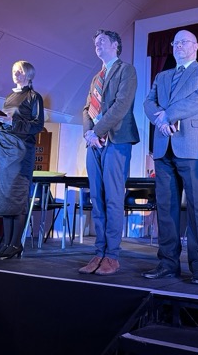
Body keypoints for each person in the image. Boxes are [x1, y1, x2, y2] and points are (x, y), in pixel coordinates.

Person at [142, 29, 198, 284]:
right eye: (175, 43)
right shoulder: (162, 76)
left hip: (193, 146)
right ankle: (167, 263)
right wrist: (160, 120)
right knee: (165, 208)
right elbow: (148, 103)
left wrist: (169, 114)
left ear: (196, 46)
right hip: (163, 145)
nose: (178, 46)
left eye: (184, 42)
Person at [78, 29, 139, 276]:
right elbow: (86, 109)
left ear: (115, 45)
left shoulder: (127, 70)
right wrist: (88, 134)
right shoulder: (96, 77)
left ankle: (112, 256)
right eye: (95, 42)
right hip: (94, 143)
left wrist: (98, 131)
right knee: (97, 199)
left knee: (113, 199)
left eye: (102, 41)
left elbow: (121, 105)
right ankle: (99, 252)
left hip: (116, 140)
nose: (97, 45)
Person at [0, 60, 45, 260]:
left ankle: (16, 244)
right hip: (4, 148)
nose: (15, 74)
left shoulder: (34, 97)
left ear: (28, 74)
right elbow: (3, 126)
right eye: (13, 71)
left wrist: (12, 120)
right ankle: (6, 244)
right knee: (5, 197)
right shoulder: (9, 97)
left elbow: (37, 125)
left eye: (19, 71)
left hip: (20, 150)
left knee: (16, 196)